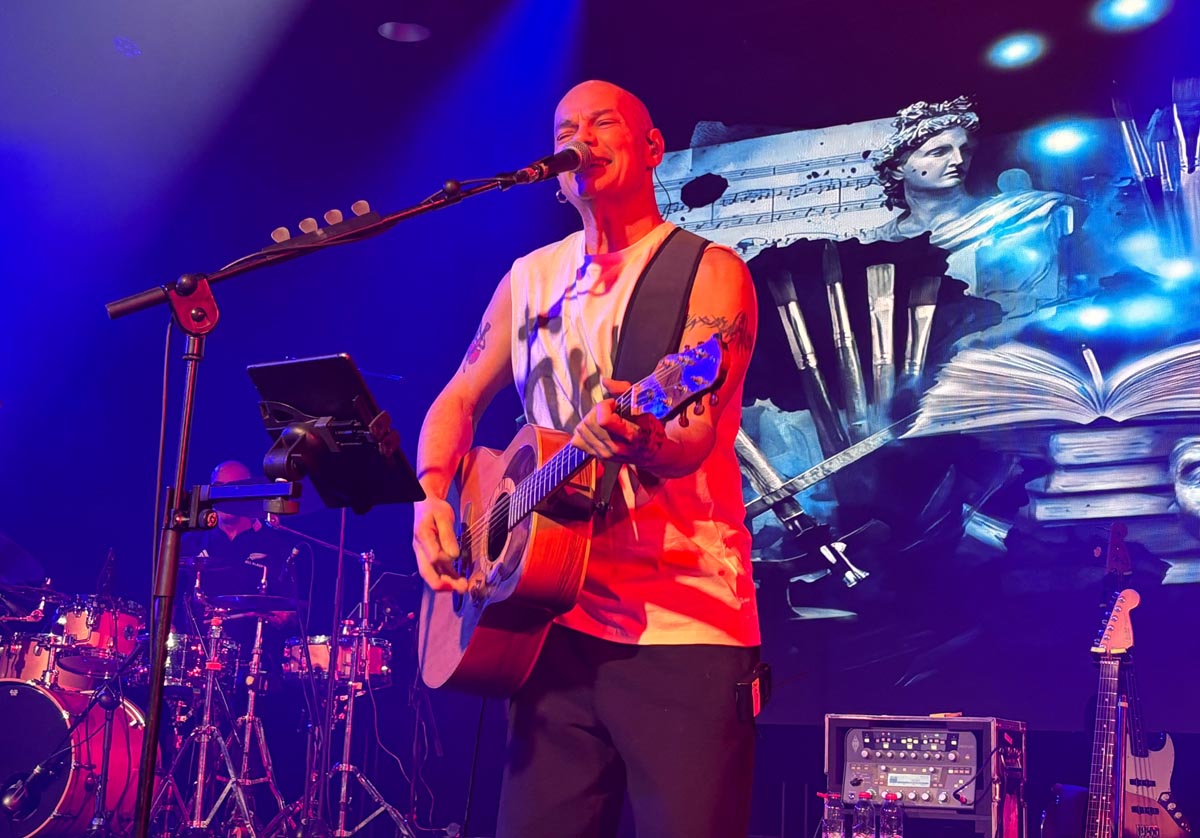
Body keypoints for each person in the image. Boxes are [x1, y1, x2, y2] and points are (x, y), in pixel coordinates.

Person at [411, 80, 762, 837]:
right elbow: (456, 400)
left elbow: (695, 434)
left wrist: (643, 435)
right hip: (544, 623)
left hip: (681, 628)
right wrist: (433, 500)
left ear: (651, 148)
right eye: (567, 127)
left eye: (602, 122)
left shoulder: (706, 271)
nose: (581, 137)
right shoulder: (530, 276)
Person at [862, 95, 1078, 318]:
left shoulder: (1021, 213)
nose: (958, 160)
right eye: (939, 152)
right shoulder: (879, 241)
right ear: (898, 168)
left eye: (965, 150)